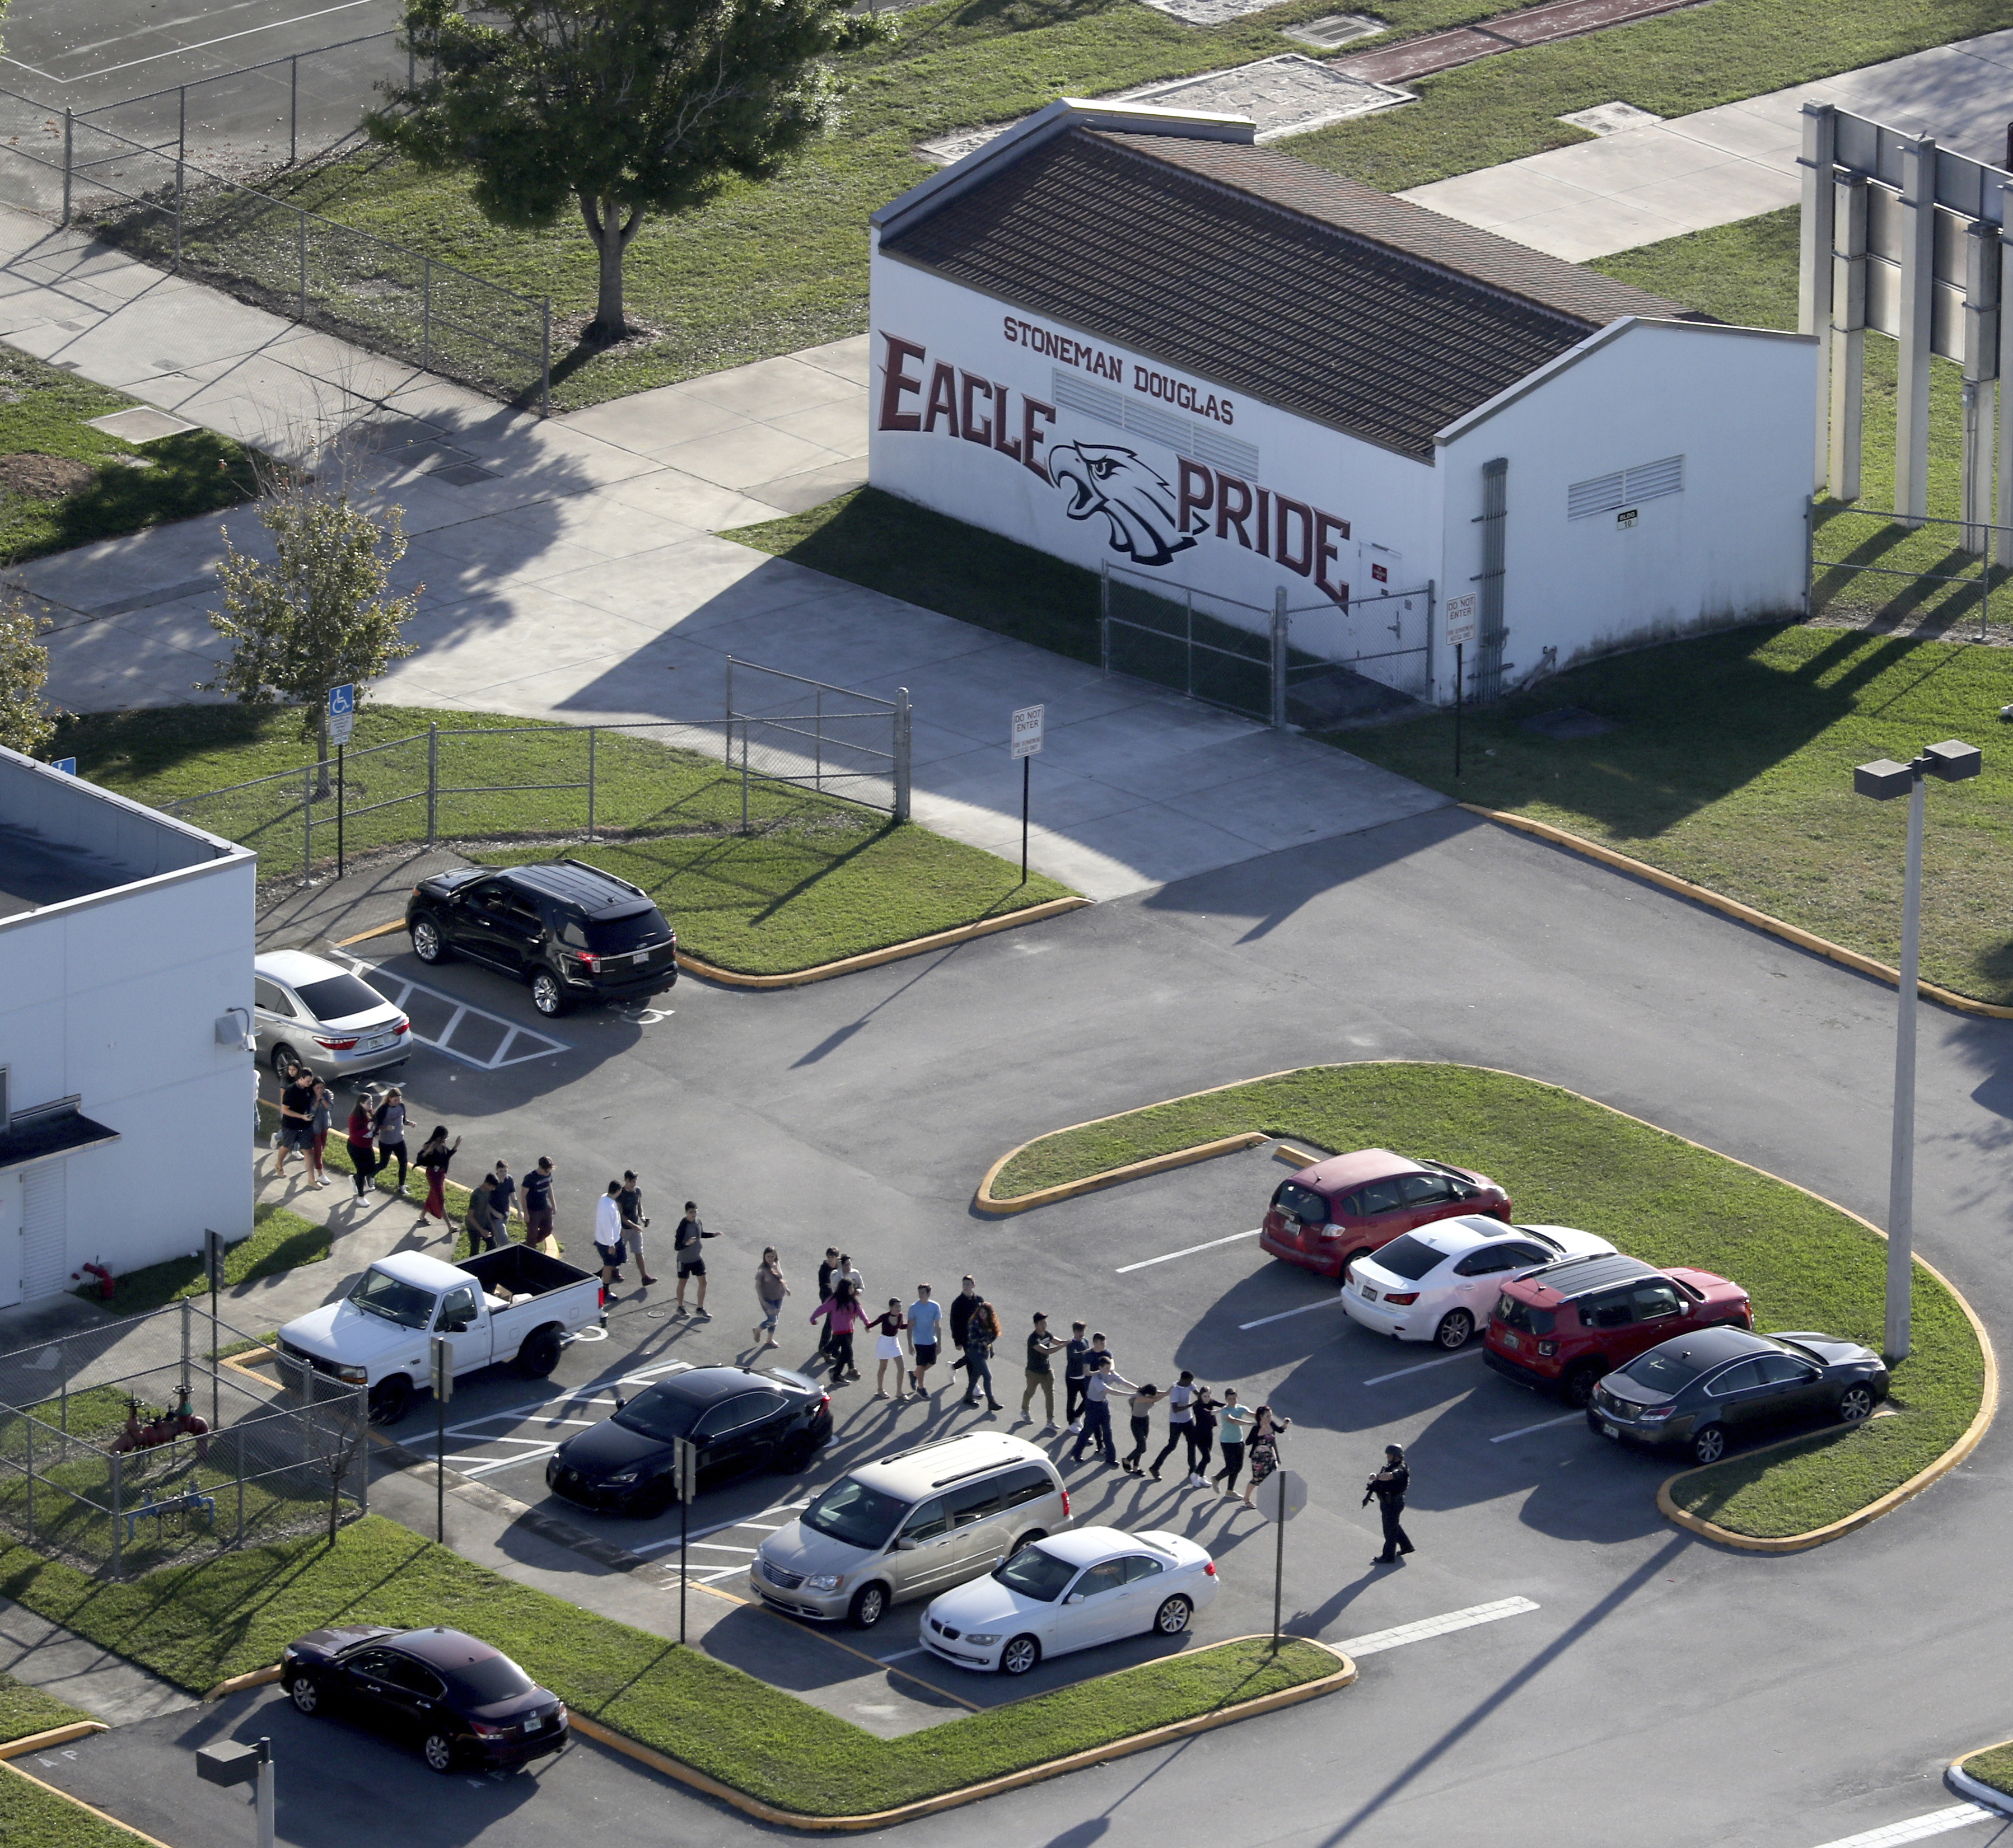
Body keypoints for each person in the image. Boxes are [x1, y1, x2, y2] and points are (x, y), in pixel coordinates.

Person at [1071, 1354, 1138, 1468]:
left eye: (1110, 1367)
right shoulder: (1096, 1379)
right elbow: (1110, 1391)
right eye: (1107, 1368)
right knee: (1088, 1431)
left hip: (1103, 1404)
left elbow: (1124, 1382)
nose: (1109, 1370)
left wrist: (1138, 1388)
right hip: (1093, 1406)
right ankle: (1076, 1452)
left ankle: (1111, 1458)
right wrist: (1131, 1395)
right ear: (1100, 1368)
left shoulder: (1111, 1373)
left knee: (1108, 1432)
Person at [1366, 1443, 1415, 1565]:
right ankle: (1406, 1546)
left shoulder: (1401, 1469)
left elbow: (1390, 1477)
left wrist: (1377, 1477)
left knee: (1389, 1531)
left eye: (1389, 1455)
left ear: (1396, 1456)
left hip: (1394, 1503)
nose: (1388, 1457)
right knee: (1393, 1526)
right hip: (1388, 1501)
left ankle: (1388, 1557)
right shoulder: (1392, 1466)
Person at [1239, 1406, 1292, 1511]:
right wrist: (1259, 1435)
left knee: (1273, 1478)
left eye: (1271, 1415)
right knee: (1257, 1479)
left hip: (1271, 1456)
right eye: (1268, 1416)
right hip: (1259, 1458)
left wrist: (1285, 1425)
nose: (1270, 1418)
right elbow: (1248, 1442)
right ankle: (1246, 1499)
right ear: (1261, 1417)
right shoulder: (1256, 1428)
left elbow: (1280, 1430)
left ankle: (1272, 1503)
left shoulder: (1271, 1424)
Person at [811, 1279, 865, 1382]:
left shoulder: (853, 1300)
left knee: (844, 1352)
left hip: (849, 1330)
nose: (852, 1290)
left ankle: (828, 1354)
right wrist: (813, 1318)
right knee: (848, 1354)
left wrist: (867, 1323)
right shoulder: (835, 1300)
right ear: (844, 1289)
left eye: (852, 1288)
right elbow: (822, 1309)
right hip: (840, 1330)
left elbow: (860, 1311)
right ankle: (836, 1373)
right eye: (850, 1288)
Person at [1150, 1372, 1199, 1482]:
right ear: (1183, 1380)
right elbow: (1176, 1409)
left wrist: (1204, 1396)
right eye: (1189, 1382)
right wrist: (1191, 1405)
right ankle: (1155, 1467)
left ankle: (1193, 1470)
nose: (1191, 1384)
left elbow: (1198, 1394)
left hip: (1188, 1420)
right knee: (1172, 1445)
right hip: (1176, 1422)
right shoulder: (1175, 1390)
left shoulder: (1189, 1384)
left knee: (1192, 1443)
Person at [1021, 1312, 1064, 1430]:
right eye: (1042, 1323)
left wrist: (1069, 1342)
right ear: (1036, 1324)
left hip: (1047, 1371)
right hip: (1033, 1372)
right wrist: (1064, 1345)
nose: (1045, 1325)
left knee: (1050, 1395)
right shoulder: (1033, 1339)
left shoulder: (1047, 1334)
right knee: (1030, 1392)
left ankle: (1050, 1420)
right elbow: (1047, 1351)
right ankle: (1025, 1410)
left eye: (1046, 1322)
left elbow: (1058, 1342)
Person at [674, 1201, 716, 1316]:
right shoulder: (683, 1225)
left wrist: (713, 1235)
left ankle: (700, 1309)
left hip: (697, 1258)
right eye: (691, 1212)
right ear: (686, 1213)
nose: (693, 1214)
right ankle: (680, 1307)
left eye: (695, 1212)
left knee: (703, 1282)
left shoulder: (698, 1222)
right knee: (683, 1282)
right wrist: (686, 1244)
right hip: (684, 1260)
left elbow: (701, 1234)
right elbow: (677, 1246)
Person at [963, 1298, 1003, 1412]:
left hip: (984, 1353)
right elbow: (973, 1338)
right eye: (981, 1312)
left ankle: (968, 1397)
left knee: (976, 1375)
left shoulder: (990, 1322)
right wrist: (985, 1340)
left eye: (985, 1313)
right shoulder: (975, 1323)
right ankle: (991, 1402)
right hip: (975, 1353)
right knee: (988, 1376)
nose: (982, 1315)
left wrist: (989, 1343)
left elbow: (995, 1334)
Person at [275, 1068, 316, 1179]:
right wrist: (301, 1116)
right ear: (301, 1079)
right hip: (291, 1125)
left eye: (311, 1081)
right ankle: (279, 1164)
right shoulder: (291, 1091)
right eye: (308, 1081)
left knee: (308, 1151)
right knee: (287, 1146)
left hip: (306, 1125)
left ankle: (312, 1179)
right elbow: (285, 1110)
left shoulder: (309, 1089)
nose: (311, 1083)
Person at [1213, 1388, 1255, 1495]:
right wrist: (1249, 1424)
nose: (1232, 1401)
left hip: (1239, 1441)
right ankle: (1216, 1479)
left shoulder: (1241, 1408)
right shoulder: (1225, 1411)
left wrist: (1264, 1415)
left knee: (1238, 1468)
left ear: (1238, 1398)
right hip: (1227, 1442)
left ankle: (1230, 1491)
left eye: (1234, 1398)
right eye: (1230, 1399)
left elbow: (1253, 1414)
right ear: (1226, 1399)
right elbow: (1233, 1421)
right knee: (1231, 1467)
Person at [416, 1127, 459, 1228]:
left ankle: (422, 1216)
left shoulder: (443, 1145)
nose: (445, 1140)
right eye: (445, 1137)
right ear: (439, 1137)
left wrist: (456, 1146)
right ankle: (450, 1226)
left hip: (441, 1174)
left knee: (433, 1195)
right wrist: (428, 1151)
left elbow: (447, 1156)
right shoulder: (429, 1145)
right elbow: (420, 1159)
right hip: (433, 1175)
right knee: (440, 1198)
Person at [618, 1171, 655, 1286]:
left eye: (635, 1181)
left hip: (636, 1228)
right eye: (631, 1182)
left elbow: (639, 1206)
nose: (633, 1184)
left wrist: (643, 1219)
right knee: (619, 1251)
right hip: (624, 1229)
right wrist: (633, 1225)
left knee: (639, 1252)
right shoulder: (621, 1195)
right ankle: (614, 1270)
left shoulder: (637, 1191)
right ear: (626, 1180)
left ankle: (645, 1277)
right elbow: (621, 1215)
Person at [1120, 1378, 1165, 1474]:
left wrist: (1170, 1392)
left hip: (1145, 1420)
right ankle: (1127, 1461)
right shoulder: (1139, 1397)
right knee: (1142, 1447)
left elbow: (1158, 1394)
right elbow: (1156, 1399)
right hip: (1136, 1422)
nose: (1152, 1397)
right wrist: (1168, 1393)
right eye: (1151, 1395)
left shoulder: (1149, 1395)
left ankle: (1136, 1467)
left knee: (1140, 1445)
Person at [372, 1087, 410, 1196]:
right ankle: (369, 1175)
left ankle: (401, 1186)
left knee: (404, 1163)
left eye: (399, 1100)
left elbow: (403, 1120)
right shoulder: (383, 1109)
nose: (398, 1102)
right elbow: (376, 1124)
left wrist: (409, 1123)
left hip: (399, 1140)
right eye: (395, 1100)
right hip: (386, 1142)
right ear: (389, 1099)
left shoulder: (402, 1107)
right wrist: (385, 1128)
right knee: (384, 1164)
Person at [908, 1284, 942, 1395]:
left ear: (929, 1294)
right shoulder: (914, 1308)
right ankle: (921, 1388)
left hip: (931, 1340)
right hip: (919, 1341)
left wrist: (939, 1343)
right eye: (919, 1293)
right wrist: (910, 1344)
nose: (920, 1295)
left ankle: (914, 1374)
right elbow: (910, 1327)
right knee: (921, 1365)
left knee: (932, 1362)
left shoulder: (935, 1307)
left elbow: (938, 1326)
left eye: (923, 1293)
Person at [871, 1299, 909, 1400]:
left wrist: (911, 1324)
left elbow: (901, 1327)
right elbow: (874, 1323)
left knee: (901, 1367)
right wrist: (868, 1327)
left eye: (900, 1307)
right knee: (883, 1367)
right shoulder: (884, 1317)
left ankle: (899, 1392)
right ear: (891, 1307)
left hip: (894, 1343)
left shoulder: (900, 1316)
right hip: (884, 1343)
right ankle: (880, 1390)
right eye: (897, 1307)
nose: (899, 1309)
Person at [345, 1091, 379, 1199]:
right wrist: (367, 1128)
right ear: (361, 1104)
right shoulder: (355, 1117)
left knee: (371, 1168)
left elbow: (374, 1125)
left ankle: (355, 1178)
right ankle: (361, 1197)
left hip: (367, 1146)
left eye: (372, 1102)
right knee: (362, 1171)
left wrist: (375, 1132)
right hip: (356, 1147)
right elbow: (354, 1133)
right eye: (368, 1103)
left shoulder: (370, 1112)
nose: (371, 1105)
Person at [754, 1248, 789, 1349]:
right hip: (767, 1298)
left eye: (772, 1256)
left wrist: (786, 1289)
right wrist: (762, 1300)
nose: (770, 1259)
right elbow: (757, 1286)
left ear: (775, 1257)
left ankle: (769, 1340)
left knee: (775, 1318)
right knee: (772, 1319)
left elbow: (780, 1277)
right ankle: (758, 1330)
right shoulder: (762, 1269)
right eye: (768, 1256)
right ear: (764, 1257)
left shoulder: (777, 1263)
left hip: (779, 1296)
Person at [523, 1157, 559, 1253]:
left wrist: (553, 1204)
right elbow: (523, 1197)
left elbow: (549, 1188)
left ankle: (530, 1243)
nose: (548, 1173)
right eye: (546, 1171)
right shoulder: (530, 1178)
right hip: (533, 1210)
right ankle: (530, 1250)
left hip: (544, 1207)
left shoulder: (548, 1175)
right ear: (541, 1167)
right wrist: (526, 1213)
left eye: (549, 1171)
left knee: (548, 1229)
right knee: (533, 1232)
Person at [949, 1275, 980, 1386]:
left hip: (978, 1336)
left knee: (974, 1358)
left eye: (968, 1284)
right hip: (965, 1337)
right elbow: (954, 1323)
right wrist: (957, 1342)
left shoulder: (979, 1301)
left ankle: (953, 1367)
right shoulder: (958, 1303)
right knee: (972, 1360)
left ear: (973, 1286)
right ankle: (974, 1386)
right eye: (964, 1284)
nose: (966, 1287)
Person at [1186, 1386, 1219, 1489]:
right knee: (1207, 1458)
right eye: (1205, 1396)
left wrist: (1230, 1405)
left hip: (1209, 1432)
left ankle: (1202, 1476)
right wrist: (1223, 1410)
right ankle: (1194, 1475)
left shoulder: (1211, 1402)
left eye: (1209, 1396)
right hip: (1199, 1434)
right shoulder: (1197, 1405)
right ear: (1201, 1395)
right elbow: (1209, 1413)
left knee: (1207, 1456)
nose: (1207, 1398)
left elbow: (1221, 1404)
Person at [594, 1181, 626, 1286]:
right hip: (607, 1243)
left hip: (615, 1239)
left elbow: (614, 1220)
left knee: (619, 1259)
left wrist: (619, 1229)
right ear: (618, 1191)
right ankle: (605, 1288)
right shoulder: (607, 1207)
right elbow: (606, 1228)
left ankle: (600, 1273)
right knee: (609, 1264)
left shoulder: (606, 1198)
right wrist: (611, 1245)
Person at [1063, 1321, 1091, 1433]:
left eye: (1083, 1331)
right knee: (1072, 1400)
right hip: (1072, 1377)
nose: (1082, 1333)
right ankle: (1071, 1424)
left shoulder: (1085, 1341)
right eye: (1079, 1331)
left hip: (1083, 1377)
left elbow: (1088, 1358)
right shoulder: (1071, 1344)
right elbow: (1073, 1356)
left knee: (1088, 1398)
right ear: (1075, 1332)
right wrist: (1085, 1353)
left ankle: (1077, 1416)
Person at [306, 1083, 333, 1189]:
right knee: (318, 1150)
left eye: (322, 1087)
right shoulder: (311, 1097)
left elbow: (330, 1108)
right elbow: (312, 1112)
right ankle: (320, 1173)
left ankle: (312, 1164)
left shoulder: (326, 1095)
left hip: (324, 1126)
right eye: (318, 1088)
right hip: (315, 1128)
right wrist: (317, 1100)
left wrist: (323, 1099)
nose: (320, 1090)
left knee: (321, 1149)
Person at [815, 1249, 841, 1356]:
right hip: (827, 1297)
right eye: (829, 1257)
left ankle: (832, 1348)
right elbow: (822, 1284)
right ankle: (824, 1347)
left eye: (833, 1257)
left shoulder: (840, 1268)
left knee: (837, 1323)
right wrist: (830, 1286)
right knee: (831, 1321)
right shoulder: (824, 1268)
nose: (830, 1260)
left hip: (838, 1297)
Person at [464, 1171, 497, 1255]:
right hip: (473, 1226)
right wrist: (481, 1231)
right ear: (487, 1184)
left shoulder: (488, 1192)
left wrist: (490, 1223)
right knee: (475, 1250)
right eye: (493, 1187)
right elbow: (470, 1216)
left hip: (484, 1223)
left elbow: (487, 1208)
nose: (493, 1189)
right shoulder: (476, 1196)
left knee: (492, 1245)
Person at [488, 1161, 519, 1248]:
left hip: (506, 1213)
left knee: (498, 1239)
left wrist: (519, 1211)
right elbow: (485, 1201)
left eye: (505, 1171)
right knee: (504, 1240)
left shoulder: (509, 1180)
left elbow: (513, 1197)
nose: (504, 1173)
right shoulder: (492, 1181)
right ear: (497, 1170)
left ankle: (495, 1252)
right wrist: (495, 1213)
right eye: (501, 1171)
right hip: (495, 1216)